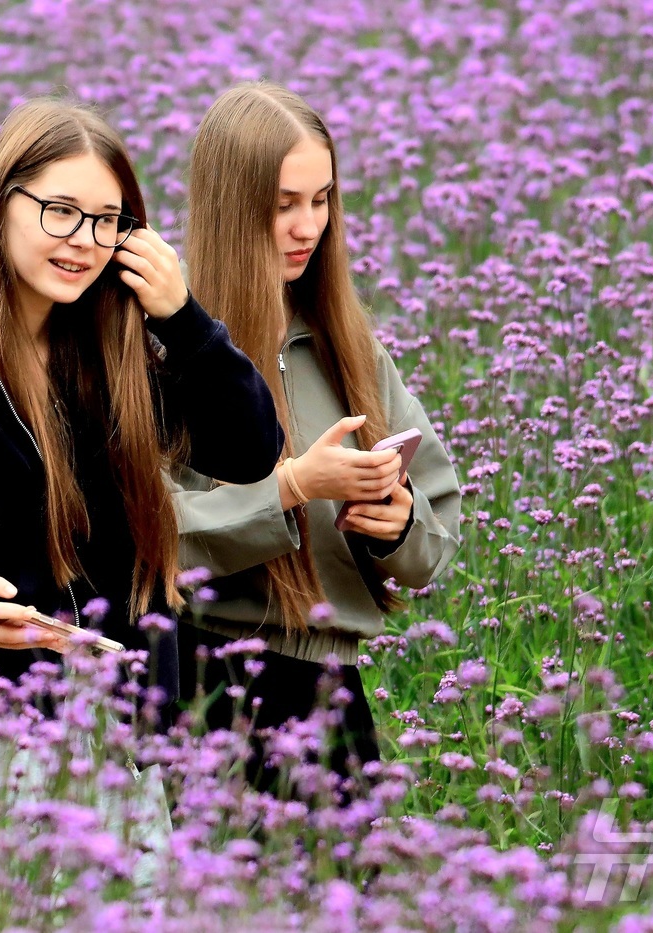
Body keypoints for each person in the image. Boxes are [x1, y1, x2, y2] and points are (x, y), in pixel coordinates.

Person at [0, 98, 282, 728]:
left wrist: (185, 320)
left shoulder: (107, 355)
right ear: (1, 204)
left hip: (119, 736)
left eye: (106, 221)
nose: (83, 242)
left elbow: (249, 450)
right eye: (60, 212)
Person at [172, 82, 463, 797]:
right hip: (206, 692)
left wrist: (395, 523)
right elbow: (150, 533)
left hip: (335, 697)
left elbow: (436, 541)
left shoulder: (348, 345)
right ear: (230, 207)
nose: (310, 226)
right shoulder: (164, 345)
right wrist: (294, 486)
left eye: (322, 199)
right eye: (283, 206)